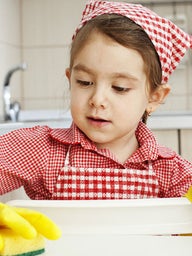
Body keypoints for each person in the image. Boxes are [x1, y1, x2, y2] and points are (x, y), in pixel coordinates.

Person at [0, 0, 192, 200]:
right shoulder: (39, 151)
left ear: (154, 97)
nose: (97, 100)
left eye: (119, 88)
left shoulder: (172, 173)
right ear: (70, 80)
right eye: (84, 82)